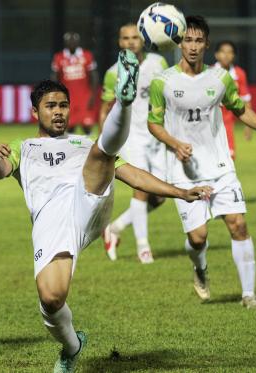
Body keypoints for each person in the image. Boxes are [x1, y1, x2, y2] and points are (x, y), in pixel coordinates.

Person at [0, 51, 211, 372]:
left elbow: (131, 172)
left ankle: (124, 98)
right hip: (51, 220)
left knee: (102, 153)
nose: (59, 112)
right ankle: (72, 346)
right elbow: (0, 170)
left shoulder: (83, 143)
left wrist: (179, 192)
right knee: (52, 298)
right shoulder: (24, 146)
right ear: (34, 111)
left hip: (88, 200)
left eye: (63, 105)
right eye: (51, 106)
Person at [147, 16, 256, 309]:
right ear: (179, 43)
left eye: (199, 41)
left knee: (238, 225)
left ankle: (249, 294)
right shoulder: (163, 82)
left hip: (221, 168)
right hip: (186, 173)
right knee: (198, 239)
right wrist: (174, 144)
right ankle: (200, 270)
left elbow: (241, 110)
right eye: (188, 40)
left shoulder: (220, 78)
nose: (193, 46)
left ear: (207, 45)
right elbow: (154, 123)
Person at [98, 23, 169, 263]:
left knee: (160, 196)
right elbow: (105, 109)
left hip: (156, 135)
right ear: (120, 42)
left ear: (144, 40)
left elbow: (168, 94)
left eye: (135, 38)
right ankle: (143, 248)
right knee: (141, 188)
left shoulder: (158, 63)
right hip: (131, 137)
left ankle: (115, 227)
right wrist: (103, 145)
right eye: (125, 38)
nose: (130, 42)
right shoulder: (112, 72)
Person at [51, 31, 99, 136]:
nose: (72, 43)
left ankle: (89, 148)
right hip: (67, 97)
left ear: (78, 42)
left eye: (74, 41)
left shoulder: (87, 56)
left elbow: (94, 76)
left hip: (85, 97)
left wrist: (93, 95)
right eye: (69, 41)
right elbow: (54, 77)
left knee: (87, 126)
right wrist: (56, 94)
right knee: (69, 125)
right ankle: (70, 149)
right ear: (65, 43)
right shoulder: (59, 57)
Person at [214, 40, 253, 159]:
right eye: (223, 52)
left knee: (230, 159)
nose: (226, 55)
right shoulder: (208, 72)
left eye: (230, 52)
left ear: (234, 56)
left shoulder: (239, 74)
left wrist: (248, 125)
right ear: (216, 55)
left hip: (227, 125)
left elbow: (245, 100)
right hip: (209, 124)